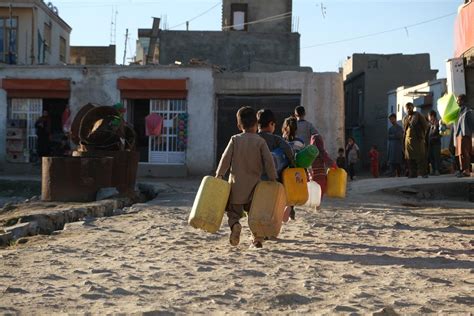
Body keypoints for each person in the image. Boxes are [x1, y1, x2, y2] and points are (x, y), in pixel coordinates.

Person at [216, 106, 277, 248]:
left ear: (239, 125)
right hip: (254, 187)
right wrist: (273, 178)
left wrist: (219, 174)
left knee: (233, 213)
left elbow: (225, 158)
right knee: (254, 215)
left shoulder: (235, 140)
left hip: (236, 186)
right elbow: (269, 161)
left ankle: (235, 226)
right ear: (256, 125)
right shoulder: (260, 142)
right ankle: (257, 238)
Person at [257, 109, 295, 177]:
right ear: (271, 124)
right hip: (273, 179)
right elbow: (288, 150)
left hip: (255, 178)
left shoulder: (253, 138)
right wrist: (292, 163)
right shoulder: (276, 139)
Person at [281, 116, 304, 220]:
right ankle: (290, 208)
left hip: (283, 170)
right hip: (296, 171)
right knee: (293, 190)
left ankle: (287, 209)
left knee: (284, 191)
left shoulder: (281, 140)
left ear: (285, 128)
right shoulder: (300, 142)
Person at [403, 102, 429, 178]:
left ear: (413, 107)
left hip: (418, 140)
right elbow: (405, 129)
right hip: (408, 141)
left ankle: (423, 173)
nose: (408, 109)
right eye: (407, 108)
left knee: (420, 157)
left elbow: (426, 126)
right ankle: (413, 173)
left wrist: (422, 136)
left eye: (409, 107)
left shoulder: (418, 115)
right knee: (410, 159)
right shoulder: (405, 118)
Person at [310, 130, 337, 198]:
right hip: (320, 175)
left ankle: (316, 205)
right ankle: (317, 206)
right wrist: (335, 166)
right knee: (320, 192)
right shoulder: (322, 152)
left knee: (314, 192)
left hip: (312, 175)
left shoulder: (309, 152)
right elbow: (328, 161)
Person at [454, 94, 473, 177]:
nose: (457, 102)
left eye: (458, 100)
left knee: (465, 153)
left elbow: (472, 123)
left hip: (465, 135)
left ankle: (467, 170)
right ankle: (462, 170)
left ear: (462, 101)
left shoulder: (468, 111)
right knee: (460, 154)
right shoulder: (460, 111)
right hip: (460, 136)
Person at [427, 110, 442, 176]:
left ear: (432, 116)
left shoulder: (438, 123)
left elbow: (441, 134)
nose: (428, 118)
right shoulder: (430, 124)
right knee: (431, 157)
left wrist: (435, 138)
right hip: (430, 143)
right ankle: (433, 170)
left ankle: (437, 170)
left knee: (436, 157)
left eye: (429, 116)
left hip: (436, 143)